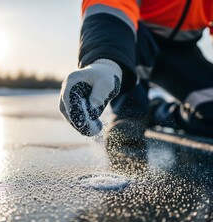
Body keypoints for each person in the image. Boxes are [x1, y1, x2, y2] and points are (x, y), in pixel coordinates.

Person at [59, 0, 213, 147]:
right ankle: (130, 113)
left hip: (183, 54)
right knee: (133, 34)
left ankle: (158, 112)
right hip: (135, 44)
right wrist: (106, 60)